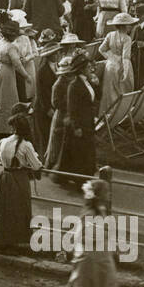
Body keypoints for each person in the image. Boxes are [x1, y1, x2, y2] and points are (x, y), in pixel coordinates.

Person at [55, 179, 135, 287]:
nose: (109, 194)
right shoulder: (90, 214)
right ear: (98, 195)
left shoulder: (101, 210)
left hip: (102, 256)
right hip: (90, 257)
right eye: (106, 192)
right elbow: (83, 237)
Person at [0, 107, 41, 252]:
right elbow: (36, 165)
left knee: (5, 209)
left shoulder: (2, 142)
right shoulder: (26, 145)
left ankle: (4, 239)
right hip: (19, 178)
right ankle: (16, 239)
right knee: (19, 208)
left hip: (4, 176)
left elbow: (0, 156)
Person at [52, 52, 98, 187]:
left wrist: (96, 83)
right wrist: (76, 126)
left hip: (88, 121)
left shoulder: (87, 82)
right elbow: (72, 109)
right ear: (82, 69)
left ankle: (82, 177)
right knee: (79, 152)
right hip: (79, 123)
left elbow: (96, 96)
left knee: (83, 151)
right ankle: (80, 180)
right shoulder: (74, 85)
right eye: (88, 66)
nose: (91, 68)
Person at [98, 12, 136, 115]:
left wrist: (111, 57)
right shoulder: (127, 38)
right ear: (125, 26)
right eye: (129, 25)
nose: (130, 27)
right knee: (123, 90)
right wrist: (126, 71)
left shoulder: (110, 35)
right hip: (122, 65)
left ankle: (108, 114)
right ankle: (120, 114)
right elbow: (126, 57)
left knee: (110, 90)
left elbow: (101, 49)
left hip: (110, 66)